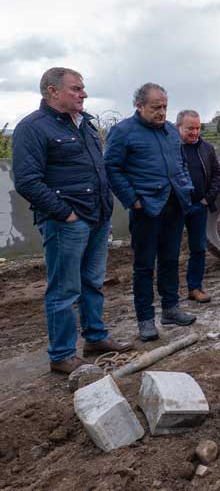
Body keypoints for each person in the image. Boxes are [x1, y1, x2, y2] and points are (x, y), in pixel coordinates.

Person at [12, 67, 132, 373]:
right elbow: (27, 181)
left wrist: (103, 209)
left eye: (83, 88)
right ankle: (62, 354)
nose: (84, 94)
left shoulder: (86, 125)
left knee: (92, 282)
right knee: (64, 290)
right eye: (76, 89)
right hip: (66, 222)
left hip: (96, 217)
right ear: (52, 91)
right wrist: (66, 213)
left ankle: (95, 337)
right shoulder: (33, 128)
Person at [105, 83, 196, 342]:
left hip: (174, 203)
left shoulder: (169, 131)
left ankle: (170, 309)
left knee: (170, 259)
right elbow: (111, 168)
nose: (162, 112)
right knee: (144, 266)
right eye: (156, 107)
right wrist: (132, 199)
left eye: (165, 106)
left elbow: (180, 163)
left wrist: (185, 187)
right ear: (140, 105)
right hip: (146, 208)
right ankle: (145, 320)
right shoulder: (123, 132)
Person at [177, 110, 220, 303]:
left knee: (198, 249)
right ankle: (169, 295)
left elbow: (217, 176)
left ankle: (194, 288)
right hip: (175, 208)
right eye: (190, 128)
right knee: (170, 252)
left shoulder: (207, 148)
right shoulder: (171, 148)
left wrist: (206, 200)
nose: (195, 132)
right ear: (178, 126)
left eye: (197, 128)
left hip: (199, 207)